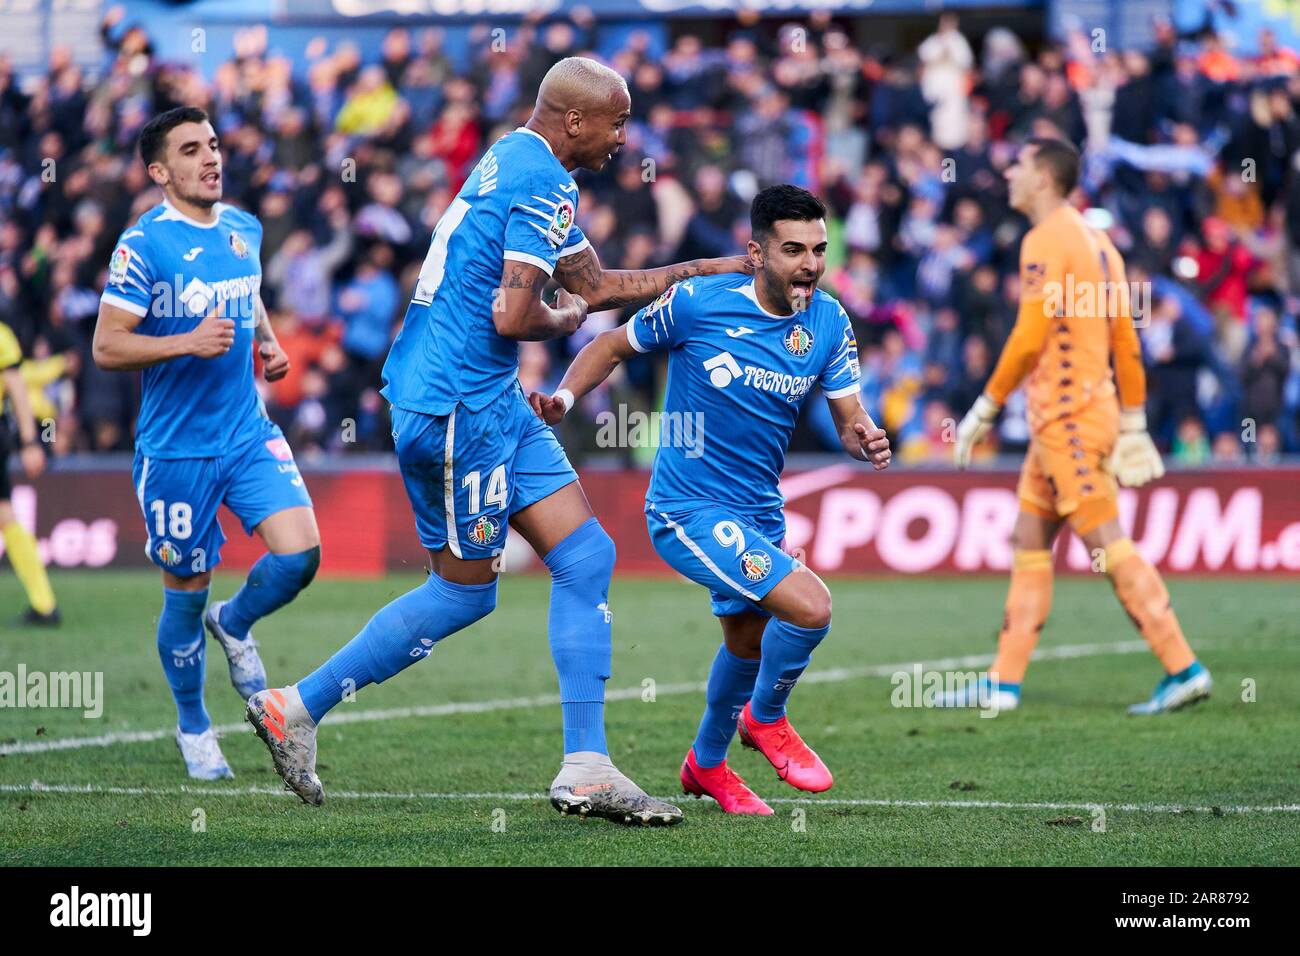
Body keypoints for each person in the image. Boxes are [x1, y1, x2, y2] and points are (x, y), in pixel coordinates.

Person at [245, 57, 752, 826]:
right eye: (616, 122)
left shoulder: (517, 159)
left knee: (586, 555)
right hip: (456, 407)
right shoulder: (544, 180)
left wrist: (709, 269)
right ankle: (299, 704)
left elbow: (599, 285)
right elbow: (516, 317)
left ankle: (587, 766)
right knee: (463, 593)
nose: (625, 137)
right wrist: (558, 321)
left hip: (487, 399)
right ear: (575, 120)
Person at [531, 185, 891, 813]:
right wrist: (562, 400)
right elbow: (611, 345)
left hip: (758, 510)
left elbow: (848, 417)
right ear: (756, 253)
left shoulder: (830, 319)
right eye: (793, 249)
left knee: (746, 644)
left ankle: (706, 766)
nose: (809, 263)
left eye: (819, 249)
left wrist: (863, 435)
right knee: (809, 608)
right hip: (687, 508)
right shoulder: (698, 303)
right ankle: (767, 720)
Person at [93, 107, 321, 779]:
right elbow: (107, 345)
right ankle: (194, 726)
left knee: (301, 555)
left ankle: (239, 621)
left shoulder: (242, 228)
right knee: (184, 593)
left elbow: (246, 298)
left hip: (247, 433)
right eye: (191, 150)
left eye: (214, 145)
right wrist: (186, 342)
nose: (211, 158)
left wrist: (271, 345)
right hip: (175, 453)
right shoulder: (144, 246)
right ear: (160, 171)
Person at [949, 137, 1211, 714]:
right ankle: (1003, 681)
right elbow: (1125, 337)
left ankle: (1183, 665)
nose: (1009, 172)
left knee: (1105, 541)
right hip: (1081, 417)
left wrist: (984, 408)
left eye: (1016, 163)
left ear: (1042, 176)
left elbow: (1027, 337)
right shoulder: (1099, 242)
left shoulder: (1045, 239)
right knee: (1030, 538)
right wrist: (1135, 420)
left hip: (1066, 420)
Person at [0, 320, 59, 625]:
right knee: (5, 514)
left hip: (13, 428)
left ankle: (45, 604)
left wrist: (29, 442)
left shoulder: (2, 336)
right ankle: (44, 604)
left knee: (5, 514)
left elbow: (18, 389)